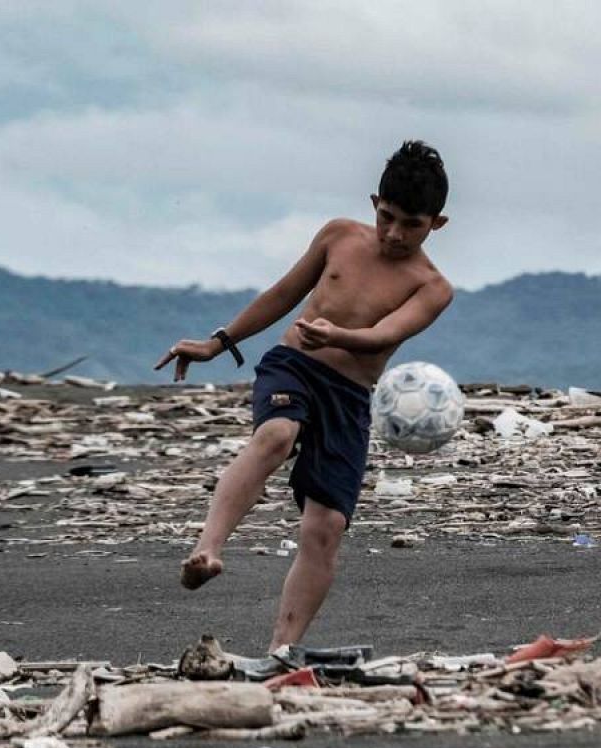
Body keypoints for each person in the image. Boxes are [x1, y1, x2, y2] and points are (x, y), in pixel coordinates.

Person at [155, 140, 454, 651]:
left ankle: (282, 649)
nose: (394, 234)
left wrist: (338, 336)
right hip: (292, 366)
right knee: (276, 435)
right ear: (374, 203)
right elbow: (283, 294)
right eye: (386, 217)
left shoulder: (432, 286)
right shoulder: (339, 236)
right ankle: (207, 550)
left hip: (349, 395)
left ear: (436, 224)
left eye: (411, 224)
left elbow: (384, 334)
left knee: (327, 525)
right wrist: (217, 343)